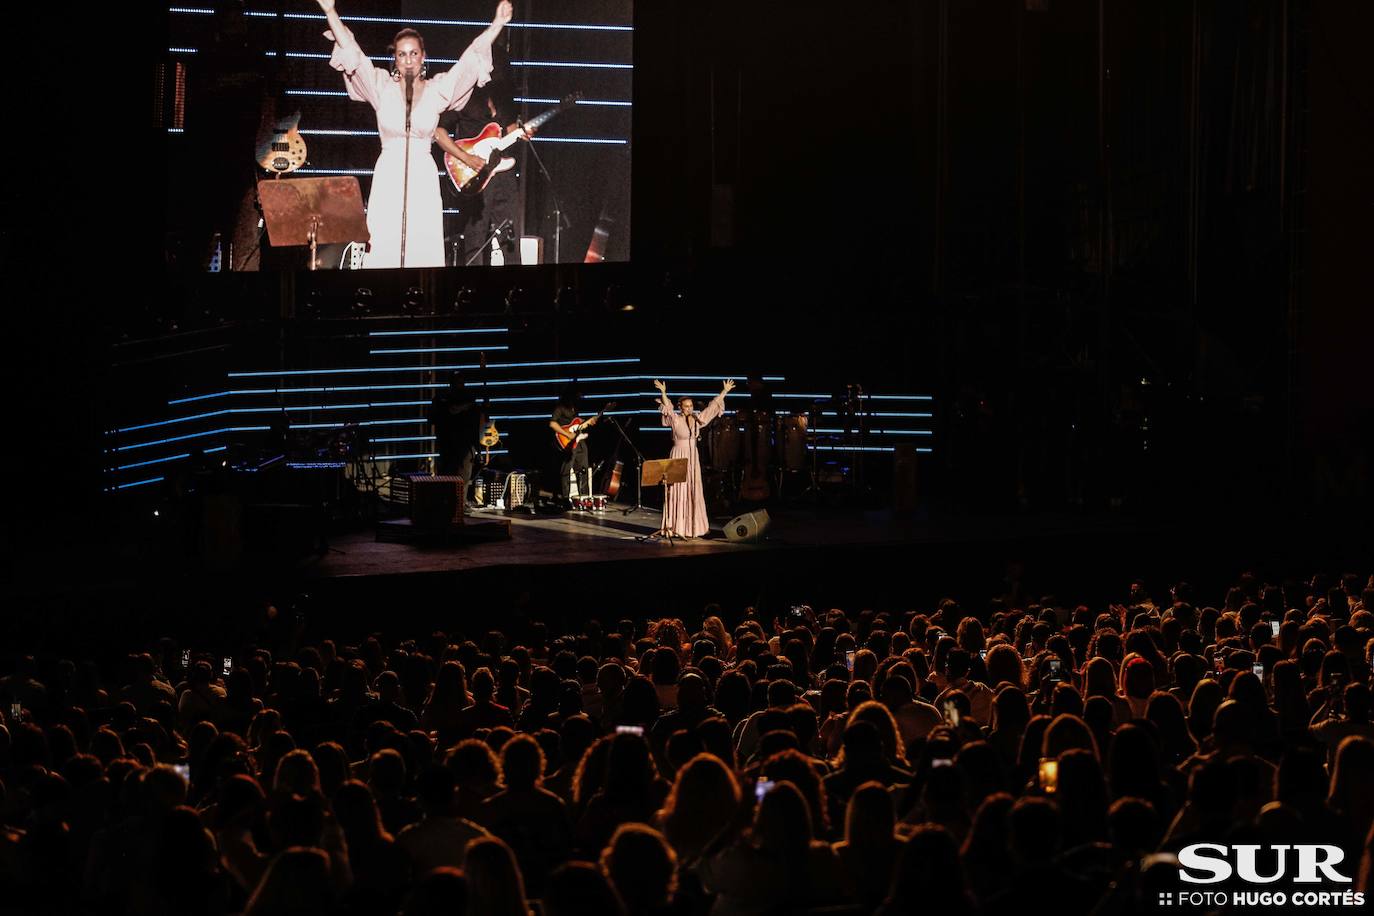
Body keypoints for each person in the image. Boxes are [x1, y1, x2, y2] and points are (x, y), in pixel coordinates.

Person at [317, 0, 513, 268]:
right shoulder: (381, 86)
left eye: (413, 53)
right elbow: (354, 55)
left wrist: (497, 24)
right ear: (395, 59)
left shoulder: (437, 89)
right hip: (388, 175)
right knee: (385, 244)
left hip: (423, 176)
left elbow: (469, 62)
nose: (408, 60)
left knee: (421, 250)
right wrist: (331, 12)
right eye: (401, 54)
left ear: (422, 57)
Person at [654, 379, 734, 538]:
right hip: (678, 454)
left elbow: (712, 409)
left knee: (693, 489)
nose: (689, 409)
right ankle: (676, 527)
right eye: (686, 406)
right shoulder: (675, 419)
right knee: (678, 489)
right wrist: (663, 392)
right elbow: (668, 409)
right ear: (681, 408)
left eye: (691, 406)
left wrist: (724, 391)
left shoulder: (698, 419)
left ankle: (694, 528)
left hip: (693, 456)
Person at [426, 372, 483, 486]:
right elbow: (477, 424)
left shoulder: (442, 398)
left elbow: (432, 419)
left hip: (454, 443)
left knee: (450, 477)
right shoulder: (469, 400)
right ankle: (457, 502)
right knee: (459, 478)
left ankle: (450, 502)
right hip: (458, 444)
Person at [549, 384, 602, 500]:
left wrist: (588, 422)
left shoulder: (576, 408)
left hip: (579, 441)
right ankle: (565, 498)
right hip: (566, 442)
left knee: (583, 469)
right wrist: (567, 434)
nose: (579, 397)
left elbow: (577, 423)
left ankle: (583, 498)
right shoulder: (560, 407)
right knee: (566, 470)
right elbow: (552, 423)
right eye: (577, 395)